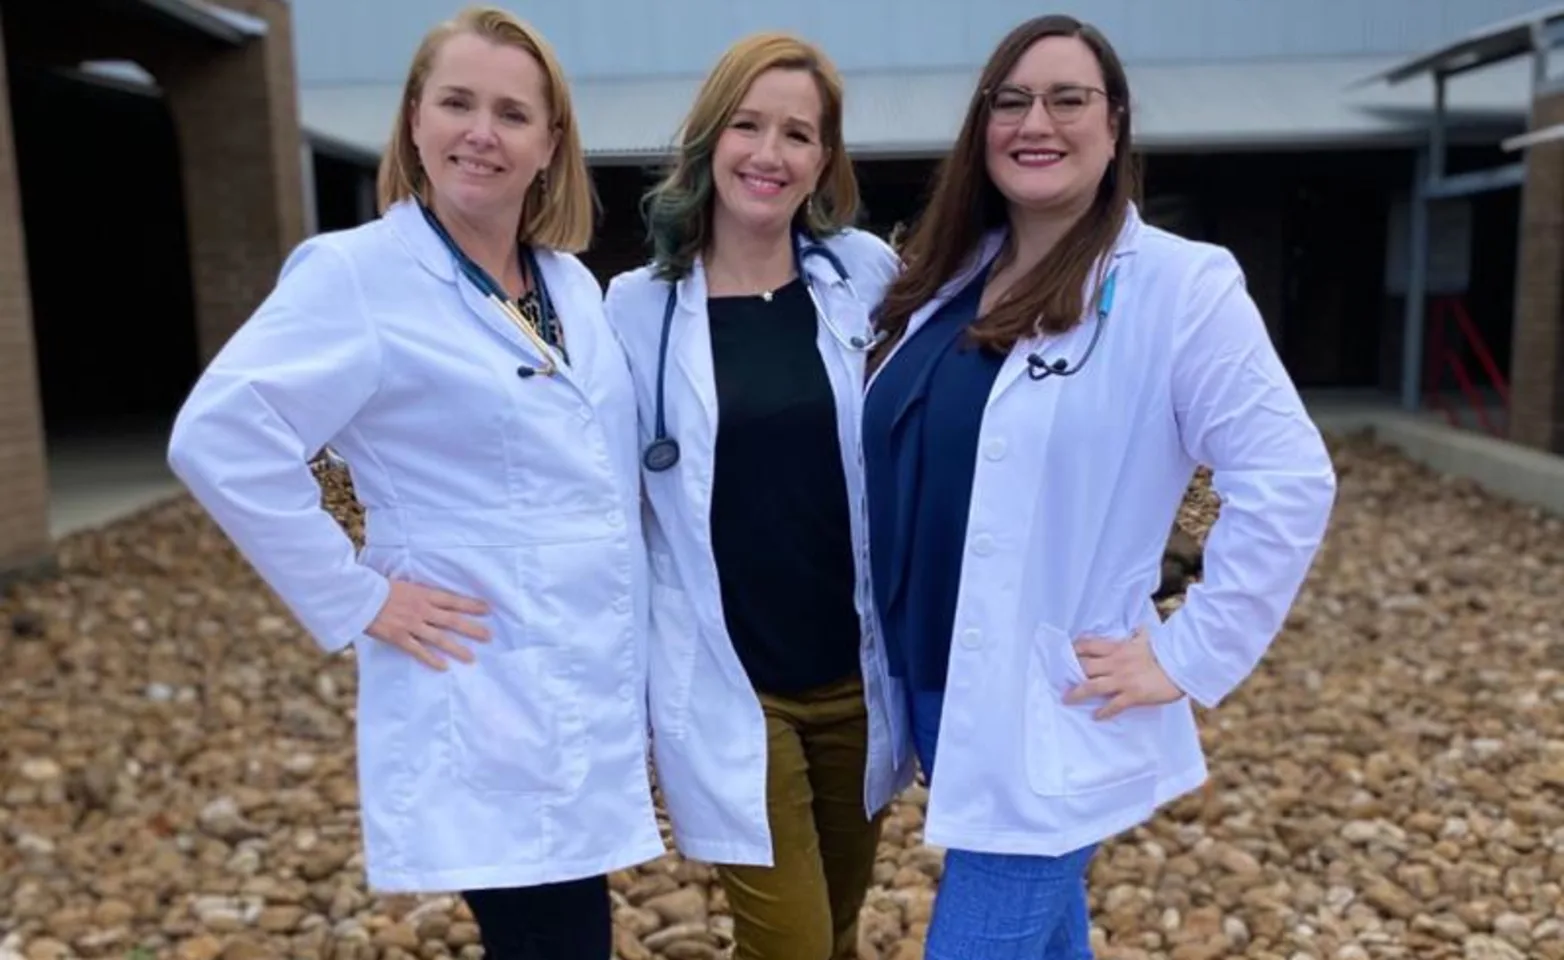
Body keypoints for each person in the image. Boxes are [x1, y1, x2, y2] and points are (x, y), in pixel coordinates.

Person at [165, 6, 664, 958]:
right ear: (414, 121)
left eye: (513, 113)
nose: (482, 132)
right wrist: (355, 594)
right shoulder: (358, 275)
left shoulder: (569, 287)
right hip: (480, 689)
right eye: (457, 103)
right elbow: (221, 436)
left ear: (551, 143)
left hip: (583, 689)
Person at [861, 14, 1337, 958]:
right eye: (1012, 100)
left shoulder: (1180, 287)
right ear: (982, 126)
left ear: (1113, 124)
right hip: (931, 685)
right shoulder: (947, 277)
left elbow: (1289, 478)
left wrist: (1189, 654)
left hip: (1050, 702)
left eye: (1068, 99)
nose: (1037, 121)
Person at [602, 32, 915, 960]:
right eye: (748, 126)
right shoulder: (634, 309)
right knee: (792, 943)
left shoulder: (863, 276)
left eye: (798, 134)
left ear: (825, 159)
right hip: (734, 686)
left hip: (855, 677)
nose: (770, 155)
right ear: (709, 139)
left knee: (844, 923)